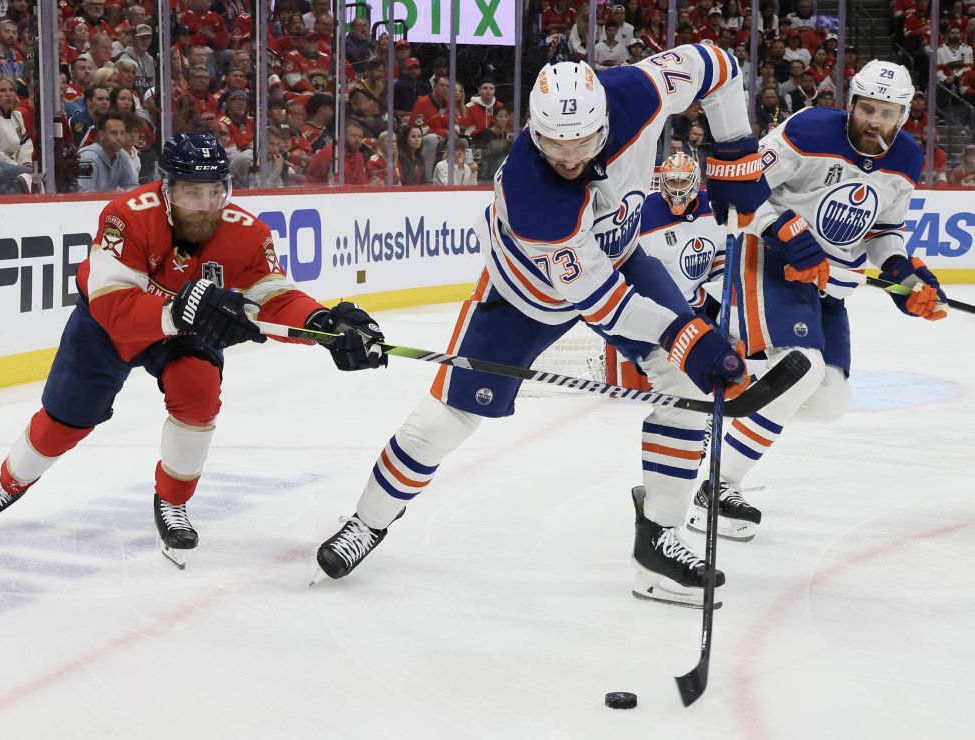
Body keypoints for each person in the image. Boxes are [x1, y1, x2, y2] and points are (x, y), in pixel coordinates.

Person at [313, 45, 772, 607]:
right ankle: (368, 521)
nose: (569, 155)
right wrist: (686, 334)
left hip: (624, 259)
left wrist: (736, 152)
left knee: (684, 384)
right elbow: (600, 303)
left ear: (604, 116)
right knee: (443, 423)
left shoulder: (640, 91)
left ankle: (660, 540)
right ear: (533, 126)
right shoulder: (531, 193)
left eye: (581, 141)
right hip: (524, 298)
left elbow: (717, 65)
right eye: (554, 141)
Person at [0, 132, 387, 567]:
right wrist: (181, 310)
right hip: (109, 328)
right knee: (66, 418)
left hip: (187, 329)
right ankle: (9, 484)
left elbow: (273, 296)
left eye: (215, 191)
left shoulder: (249, 233)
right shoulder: (127, 216)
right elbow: (113, 307)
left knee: (198, 398)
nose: (205, 203)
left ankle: (173, 501)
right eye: (192, 192)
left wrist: (321, 324)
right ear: (166, 188)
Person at [687, 60, 949, 541]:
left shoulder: (907, 159)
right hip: (767, 259)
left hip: (829, 286)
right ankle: (718, 486)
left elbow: (884, 232)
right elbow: (739, 184)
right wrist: (784, 228)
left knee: (828, 399)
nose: (874, 120)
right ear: (851, 103)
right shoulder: (808, 129)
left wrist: (902, 276)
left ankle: (738, 395)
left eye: (887, 113)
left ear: (903, 115)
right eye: (867, 108)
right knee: (801, 367)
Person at [76, 111, 137, 192]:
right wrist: (112, 196)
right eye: (114, 133)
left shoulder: (122, 155)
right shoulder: (87, 159)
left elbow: (133, 186)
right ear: (101, 135)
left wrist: (125, 193)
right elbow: (84, 195)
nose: (119, 138)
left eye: (122, 133)